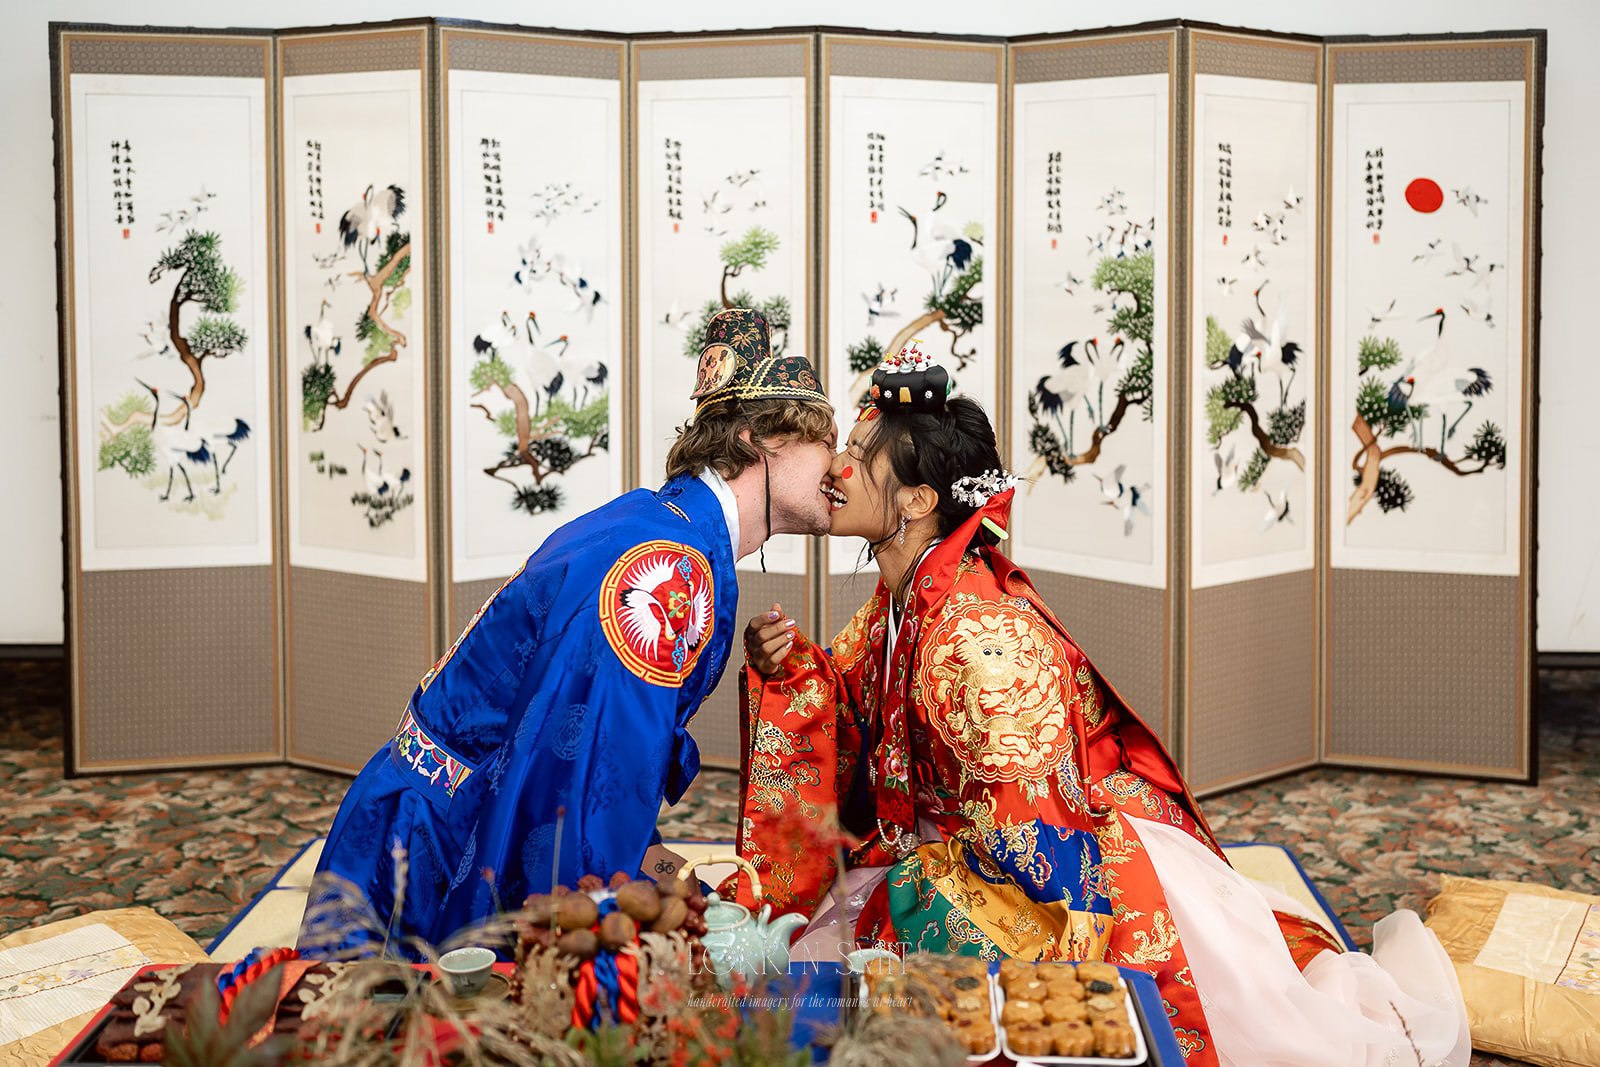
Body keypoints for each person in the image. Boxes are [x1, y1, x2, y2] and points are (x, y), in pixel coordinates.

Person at [734, 341, 1469, 1066]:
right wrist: (795, 670)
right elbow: (857, 706)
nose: (836, 468)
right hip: (961, 840)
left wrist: (914, 890)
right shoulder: (909, 597)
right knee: (828, 970)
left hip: (1063, 862)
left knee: (864, 989)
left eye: (861, 456)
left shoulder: (983, 644)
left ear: (920, 501)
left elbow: (1038, 853)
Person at [303, 308, 836, 955]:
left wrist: (674, 875)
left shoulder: (660, 523)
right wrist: (617, 923)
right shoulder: (666, 566)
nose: (836, 469)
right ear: (761, 441)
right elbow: (582, 800)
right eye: (824, 441)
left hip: (432, 812)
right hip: (436, 848)